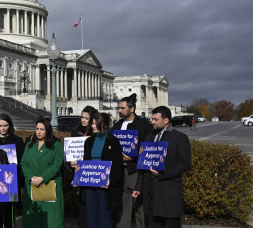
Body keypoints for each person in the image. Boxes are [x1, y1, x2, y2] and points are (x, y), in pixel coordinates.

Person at [132, 106, 191, 228]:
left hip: (169, 191)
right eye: (152, 119)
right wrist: (139, 187)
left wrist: (162, 173)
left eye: (155, 119)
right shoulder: (149, 137)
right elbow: (143, 166)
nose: (152, 122)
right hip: (151, 193)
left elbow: (185, 163)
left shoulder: (180, 138)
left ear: (166, 121)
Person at [74, 112, 124, 228]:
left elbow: (117, 165)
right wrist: (78, 175)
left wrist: (110, 180)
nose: (93, 126)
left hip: (104, 186)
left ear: (105, 125)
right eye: (92, 123)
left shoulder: (113, 142)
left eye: (96, 124)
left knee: (104, 217)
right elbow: (86, 162)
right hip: (89, 186)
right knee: (91, 217)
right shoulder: (88, 141)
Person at [111, 93, 152, 228]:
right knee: (123, 205)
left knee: (139, 205)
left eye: (122, 108)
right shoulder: (116, 126)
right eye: (119, 108)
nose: (119, 111)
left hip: (136, 170)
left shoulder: (144, 126)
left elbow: (150, 149)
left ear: (132, 109)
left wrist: (134, 157)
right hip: (120, 171)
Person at [21, 117, 64, 228]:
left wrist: (43, 178)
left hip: (50, 185)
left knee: (51, 220)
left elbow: (57, 164)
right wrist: (31, 177)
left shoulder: (56, 145)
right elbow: (23, 163)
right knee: (33, 219)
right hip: (32, 185)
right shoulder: (30, 144)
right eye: (37, 129)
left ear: (48, 130)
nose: (39, 132)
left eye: (42, 129)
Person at [0, 113, 25, 228]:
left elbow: (22, 159)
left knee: (9, 214)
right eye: (0, 125)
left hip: (11, 180)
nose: (2, 128)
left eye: (5, 125)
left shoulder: (16, 140)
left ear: (10, 126)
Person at [70, 106, 97, 228]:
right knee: (81, 205)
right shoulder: (76, 132)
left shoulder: (95, 134)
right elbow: (71, 151)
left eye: (87, 118)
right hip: (78, 172)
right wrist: (71, 162)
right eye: (82, 117)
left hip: (91, 172)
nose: (83, 120)